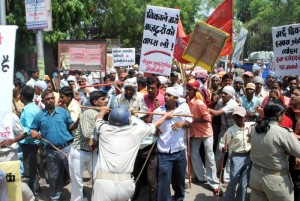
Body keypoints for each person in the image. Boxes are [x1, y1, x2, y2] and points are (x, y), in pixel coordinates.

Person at [90, 105, 173, 201]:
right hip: (125, 183)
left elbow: (98, 118)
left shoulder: (103, 129)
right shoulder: (136, 131)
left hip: (103, 183)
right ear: (128, 120)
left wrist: (102, 111)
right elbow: (154, 125)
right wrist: (166, 116)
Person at [30, 90, 79, 200]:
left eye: (52, 98)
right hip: (50, 151)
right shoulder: (39, 116)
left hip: (67, 148)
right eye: (48, 99)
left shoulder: (63, 112)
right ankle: (55, 197)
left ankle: (80, 196)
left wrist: (77, 122)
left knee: (74, 175)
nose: (51, 100)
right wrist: (33, 132)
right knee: (54, 177)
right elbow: (33, 129)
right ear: (43, 101)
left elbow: (70, 126)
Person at [249, 100, 300, 201]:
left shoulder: (255, 129)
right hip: (275, 179)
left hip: (255, 174)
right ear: (279, 116)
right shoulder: (283, 133)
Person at [153, 87, 193, 201]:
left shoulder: (184, 109)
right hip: (164, 152)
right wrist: (156, 131)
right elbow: (152, 127)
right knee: (164, 181)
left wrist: (182, 123)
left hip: (179, 150)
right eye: (165, 94)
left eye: (169, 95)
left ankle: (179, 198)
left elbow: (190, 123)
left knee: (179, 179)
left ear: (175, 98)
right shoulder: (158, 112)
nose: (165, 97)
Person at [69, 91, 107, 201]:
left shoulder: (98, 114)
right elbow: (86, 134)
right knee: (77, 182)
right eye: (103, 99)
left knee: (97, 177)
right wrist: (94, 137)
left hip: (92, 152)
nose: (106, 101)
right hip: (79, 152)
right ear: (95, 102)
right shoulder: (88, 113)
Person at [185, 79, 221, 196]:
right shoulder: (188, 100)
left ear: (195, 91)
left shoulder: (199, 103)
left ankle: (214, 183)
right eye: (187, 89)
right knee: (193, 154)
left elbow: (208, 118)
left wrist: (194, 119)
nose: (187, 91)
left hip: (206, 132)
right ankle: (202, 177)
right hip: (196, 132)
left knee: (209, 157)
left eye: (189, 89)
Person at [219, 106, 254, 201]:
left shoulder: (250, 126)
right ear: (233, 117)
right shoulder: (230, 130)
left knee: (244, 183)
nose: (238, 118)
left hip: (248, 156)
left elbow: (260, 123)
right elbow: (222, 143)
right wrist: (223, 148)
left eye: (240, 116)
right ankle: (228, 199)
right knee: (233, 180)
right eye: (236, 116)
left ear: (245, 117)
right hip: (236, 157)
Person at [19, 85, 41, 197]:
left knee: (30, 170)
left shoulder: (28, 111)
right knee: (33, 168)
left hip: (29, 144)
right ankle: (36, 189)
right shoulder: (34, 107)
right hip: (33, 143)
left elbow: (29, 129)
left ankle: (33, 193)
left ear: (22, 96)